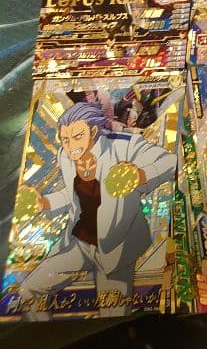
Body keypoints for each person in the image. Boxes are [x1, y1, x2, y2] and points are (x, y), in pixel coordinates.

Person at [16, 102, 178, 318]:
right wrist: (44, 203)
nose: (71, 146)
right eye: (65, 139)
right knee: (29, 290)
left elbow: (170, 162)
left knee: (113, 317)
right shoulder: (66, 156)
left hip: (115, 249)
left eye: (77, 137)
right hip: (79, 244)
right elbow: (73, 195)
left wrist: (139, 175)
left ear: (93, 132)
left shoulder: (124, 146)